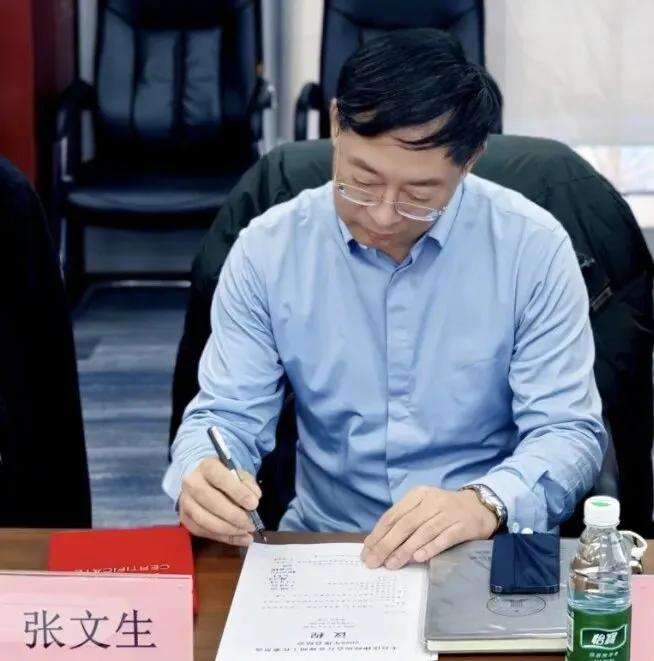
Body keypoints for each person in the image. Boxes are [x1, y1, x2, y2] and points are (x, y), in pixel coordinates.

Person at [163, 28, 607, 570]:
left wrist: (487, 502)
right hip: (328, 547)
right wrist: (203, 473)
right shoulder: (269, 250)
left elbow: (568, 431)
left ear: (469, 162)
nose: (382, 215)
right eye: (362, 181)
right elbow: (225, 414)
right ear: (335, 125)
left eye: (420, 196)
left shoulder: (532, 249)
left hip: (485, 549)